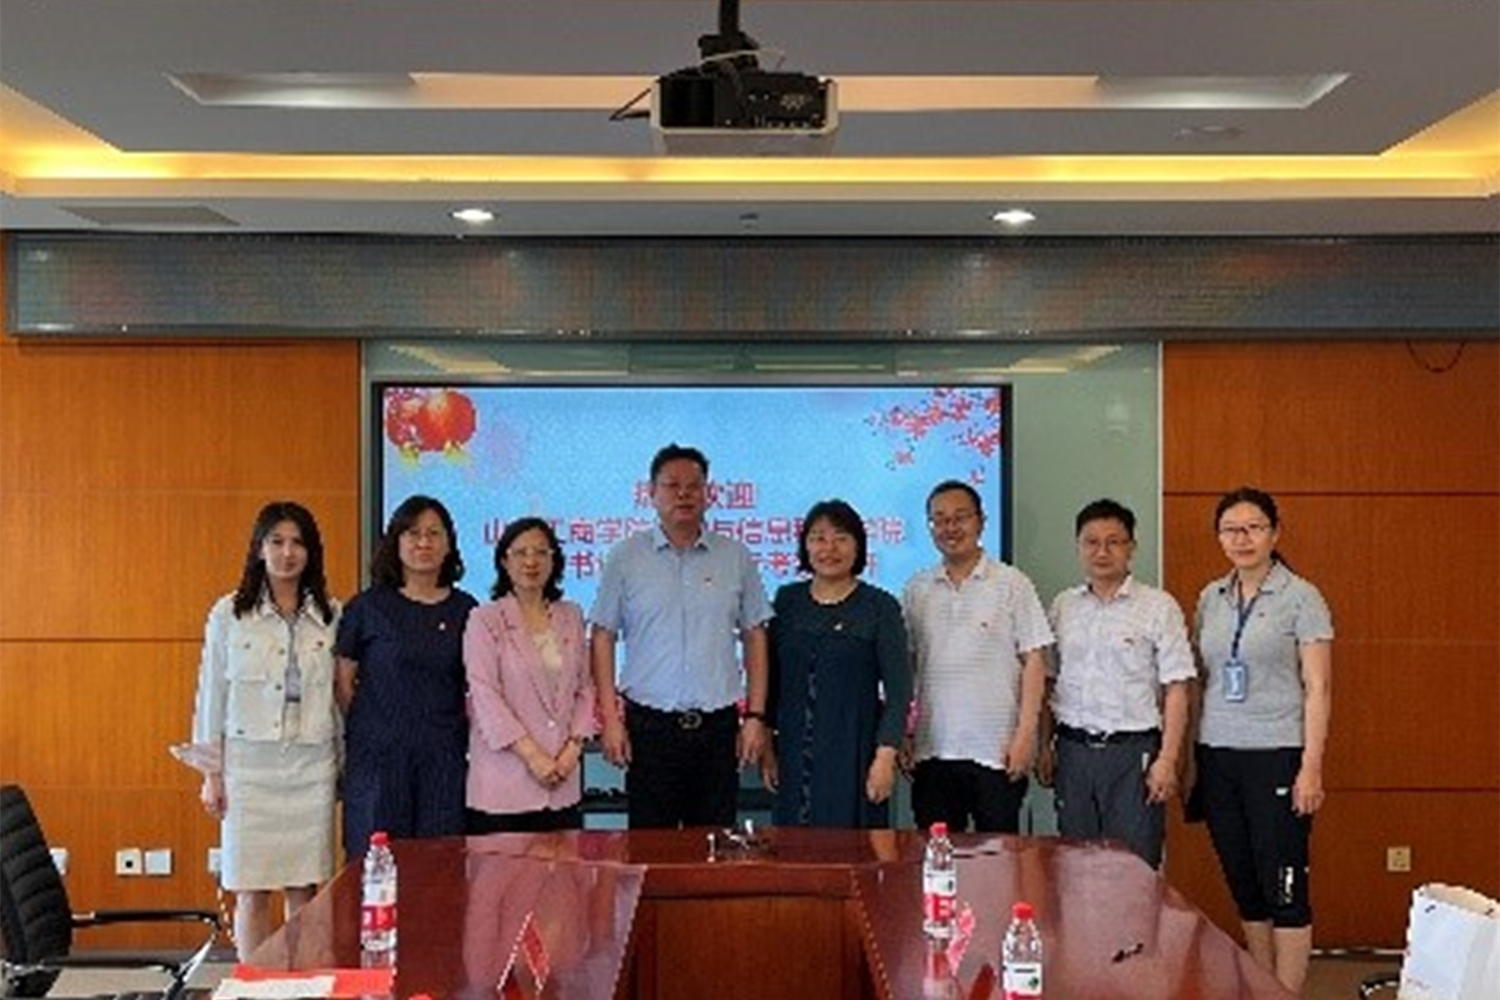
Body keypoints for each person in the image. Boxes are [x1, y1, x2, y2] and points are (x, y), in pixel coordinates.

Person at [1190, 486, 1333, 995]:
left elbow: (1318, 687)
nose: (1242, 538)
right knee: (1244, 882)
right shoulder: (1211, 597)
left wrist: (1310, 767)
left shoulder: (1302, 596)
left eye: (1253, 528)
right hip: (1217, 754)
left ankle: (1285, 992)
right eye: (1231, 529)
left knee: (1283, 885)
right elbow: (1202, 680)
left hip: (1277, 755)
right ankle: (1261, 983)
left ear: (1275, 533)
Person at [589, 443, 773, 829]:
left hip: (717, 728)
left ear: (708, 493)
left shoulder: (735, 556)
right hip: (649, 727)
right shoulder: (625, 557)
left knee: (713, 842)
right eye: (672, 485)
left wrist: (756, 716)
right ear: (651, 493)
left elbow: (755, 635)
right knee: (650, 846)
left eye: (694, 486)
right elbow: (603, 636)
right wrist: (610, 719)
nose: (684, 494)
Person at [189, 501, 340, 959]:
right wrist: (211, 775)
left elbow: (341, 701)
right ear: (259, 548)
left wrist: (345, 768)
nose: (287, 553)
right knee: (251, 890)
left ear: (311, 552)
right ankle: (254, 985)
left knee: (305, 890)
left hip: (311, 766)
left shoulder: (331, 614)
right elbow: (210, 696)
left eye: (297, 543)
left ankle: (303, 984)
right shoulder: (229, 614)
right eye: (276, 542)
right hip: (249, 771)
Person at [1037, 498, 1194, 868]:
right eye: (1091, 542)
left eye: (1113, 542)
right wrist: (1044, 745)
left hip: (1132, 754)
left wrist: (1168, 759)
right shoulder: (1063, 606)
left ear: (1131, 547)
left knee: (1134, 867)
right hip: (1073, 752)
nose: (1102, 552)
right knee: (1075, 865)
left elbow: (1177, 688)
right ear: (1079, 547)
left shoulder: (1158, 606)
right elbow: (1048, 682)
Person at [901, 479, 1053, 834]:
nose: (950, 527)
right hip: (932, 750)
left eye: (960, 517)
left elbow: (1035, 661)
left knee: (999, 858)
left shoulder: (1012, 583)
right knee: (937, 856)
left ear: (981, 521)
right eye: (940, 519)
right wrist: (904, 733)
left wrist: (1026, 736)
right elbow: (906, 669)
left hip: (997, 751)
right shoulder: (916, 589)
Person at [335, 495, 477, 858]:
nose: (424, 543)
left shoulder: (466, 609)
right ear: (395, 542)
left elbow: (475, 686)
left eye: (434, 533)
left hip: (442, 759)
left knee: (439, 864)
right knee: (376, 866)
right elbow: (343, 683)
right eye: (413, 534)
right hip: (379, 760)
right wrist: (378, 725)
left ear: (449, 543)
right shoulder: (367, 607)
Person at [760, 499, 912, 828]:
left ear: (858, 546)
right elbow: (771, 683)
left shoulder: (879, 606)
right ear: (805, 546)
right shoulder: (787, 601)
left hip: (855, 752)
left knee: (853, 848)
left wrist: (885, 756)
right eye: (818, 538)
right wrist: (768, 748)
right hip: (793, 752)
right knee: (795, 847)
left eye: (841, 538)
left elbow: (899, 693)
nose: (829, 548)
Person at [464, 517, 595, 833]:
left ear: (554, 560)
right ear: (504, 561)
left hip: (562, 779)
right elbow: (485, 696)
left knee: (566, 865)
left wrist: (572, 750)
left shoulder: (571, 615)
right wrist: (534, 757)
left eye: (540, 552)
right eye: (520, 553)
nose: (531, 561)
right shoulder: (485, 619)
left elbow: (585, 688)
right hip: (504, 783)